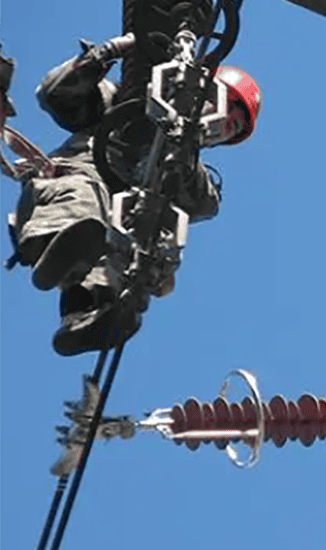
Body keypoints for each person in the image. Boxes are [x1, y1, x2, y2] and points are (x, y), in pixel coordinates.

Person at [8, 35, 261, 356]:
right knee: (90, 197)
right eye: (226, 107)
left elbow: (200, 202)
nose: (224, 123)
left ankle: (87, 314)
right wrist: (105, 55)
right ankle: (48, 241)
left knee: (123, 242)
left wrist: (180, 144)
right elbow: (54, 94)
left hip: (96, 236)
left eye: (233, 127)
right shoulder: (121, 105)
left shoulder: (194, 180)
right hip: (60, 196)